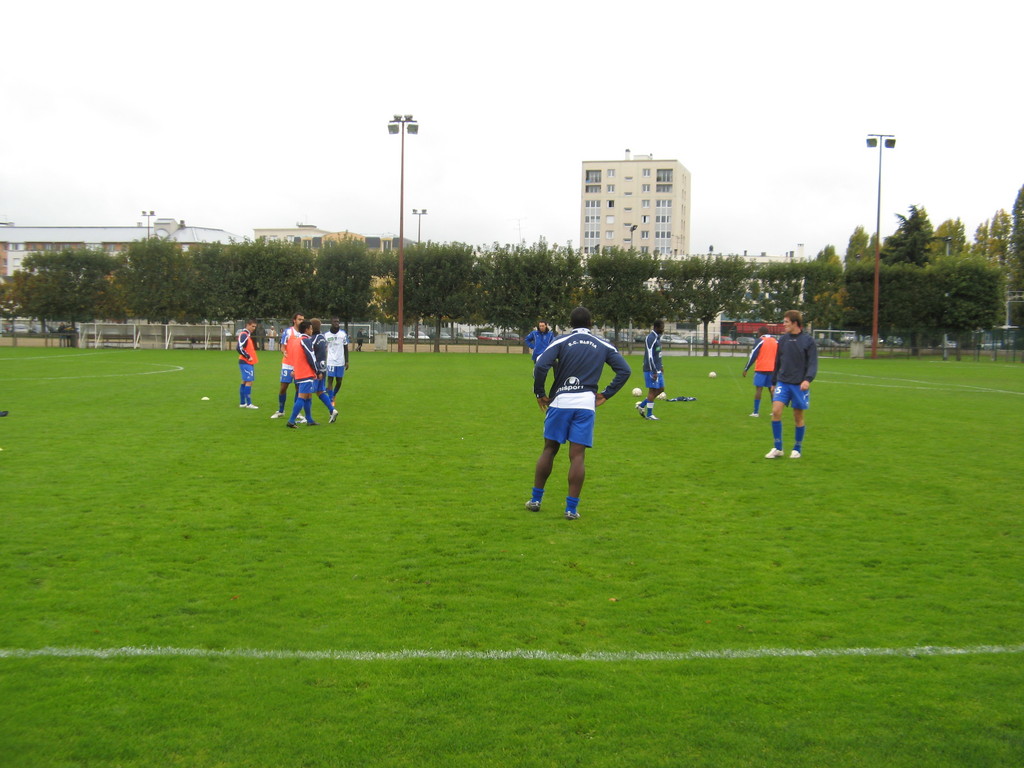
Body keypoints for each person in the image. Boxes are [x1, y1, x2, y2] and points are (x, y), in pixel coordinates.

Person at [526, 306, 631, 520]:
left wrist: (539, 392)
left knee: (549, 449)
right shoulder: (602, 344)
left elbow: (541, 366)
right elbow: (625, 370)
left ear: (570, 323)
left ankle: (536, 500)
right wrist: (606, 394)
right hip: (585, 404)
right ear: (591, 324)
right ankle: (571, 510)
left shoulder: (561, 341)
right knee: (577, 456)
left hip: (560, 401)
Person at [765, 310, 817, 459]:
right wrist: (774, 382)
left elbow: (813, 363)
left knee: (798, 416)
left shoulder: (808, 341)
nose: (784, 324)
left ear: (795, 323)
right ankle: (778, 447)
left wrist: (807, 379)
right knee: (776, 412)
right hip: (783, 382)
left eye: (786, 322)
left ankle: (797, 448)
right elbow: (777, 362)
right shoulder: (783, 340)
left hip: (799, 384)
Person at [284, 320, 320, 428]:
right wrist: (316, 370)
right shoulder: (306, 340)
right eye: (311, 328)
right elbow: (311, 356)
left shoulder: (296, 340)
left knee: (308, 396)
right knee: (302, 397)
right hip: (305, 372)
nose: (312, 330)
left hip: (299, 372)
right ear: (307, 329)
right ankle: (291, 421)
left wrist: (294, 369)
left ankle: (309, 419)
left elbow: (294, 356)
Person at [271, 314, 304, 420]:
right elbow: (282, 346)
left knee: (298, 388)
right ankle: (281, 410)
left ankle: (297, 412)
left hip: (299, 365)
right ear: (294, 320)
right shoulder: (288, 332)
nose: (301, 321)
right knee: (283, 387)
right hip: (287, 364)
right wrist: (284, 352)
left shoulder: (305, 333)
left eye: (303, 320)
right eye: (299, 319)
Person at [742, 326, 779, 417]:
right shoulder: (775, 341)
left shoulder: (760, 341)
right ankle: (775, 411)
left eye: (758, 333)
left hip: (761, 368)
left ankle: (755, 412)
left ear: (761, 333)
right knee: (772, 390)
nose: (757, 334)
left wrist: (746, 368)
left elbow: (753, 355)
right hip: (773, 369)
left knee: (759, 389)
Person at [308, 318, 340, 423]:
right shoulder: (322, 337)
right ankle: (332, 410)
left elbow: (312, 356)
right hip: (323, 368)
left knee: (306, 393)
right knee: (320, 392)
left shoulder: (312, 339)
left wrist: (317, 370)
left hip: (316, 370)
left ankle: (307, 417)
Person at [636, 320, 665, 420]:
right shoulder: (650, 338)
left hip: (657, 368)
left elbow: (657, 354)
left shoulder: (657, 338)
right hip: (651, 369)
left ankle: (642, 405)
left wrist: (661, 365)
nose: (663, 329)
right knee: (652, 391)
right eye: (662, 327)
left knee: (661, 389)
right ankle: (649, 414)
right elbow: (649, 355)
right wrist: (653, 371)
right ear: (656, 327)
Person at [324, 318, 350, 409]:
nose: (337, 323)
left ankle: (333, 394)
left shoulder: (343, 334)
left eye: (338, 322)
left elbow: (346, 348)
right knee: (330, 379)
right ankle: (331, 399)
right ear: (331, 322)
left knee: (339, 381)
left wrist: (347, 361)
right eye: (335, 321)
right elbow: (324, 349)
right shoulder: (326, 335)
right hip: (330, 361)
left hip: (340, 361)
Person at [236, 319, 260, 409]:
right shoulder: (244, 334)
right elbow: (239, 348)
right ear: (248, 325)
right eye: (252, 326)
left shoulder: (246, 335)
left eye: (255, 327)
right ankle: (249, 404)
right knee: (249, 382)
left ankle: (242, 403)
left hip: (247, 362)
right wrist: (248, 356)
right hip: (246, 362)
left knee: (244, 381)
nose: (253, 328)